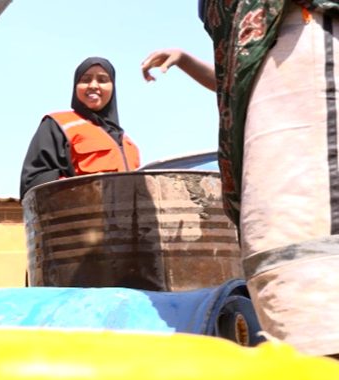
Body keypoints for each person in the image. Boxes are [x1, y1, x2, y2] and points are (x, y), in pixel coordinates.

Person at [142, 0, 339, 359]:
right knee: (279, 252)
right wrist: (185, 59)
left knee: (314, 254)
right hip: (275, 104)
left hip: (310, 70)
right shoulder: (247, 43)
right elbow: (231, 81)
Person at [18, 57, 140, 282]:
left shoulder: (129, 144)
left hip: (124, 253)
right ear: (76, 87)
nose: (94, 85)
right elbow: (33, 182)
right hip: (72, 251)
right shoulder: (57, 124)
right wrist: (88, 189)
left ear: (113, 88)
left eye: (103, 80)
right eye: (86, 80)